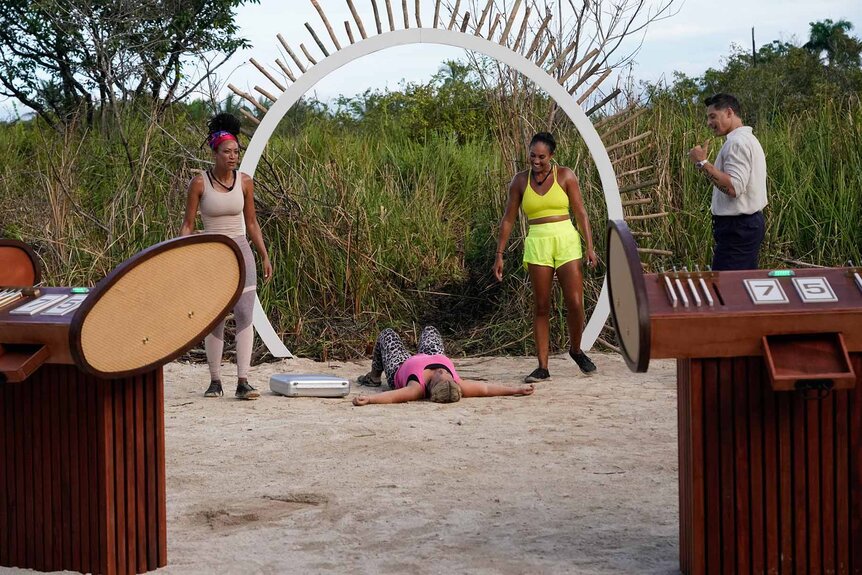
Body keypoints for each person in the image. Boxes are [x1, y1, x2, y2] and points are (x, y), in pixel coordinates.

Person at [180, 113, 273, 400]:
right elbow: (188, 225)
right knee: (216, 317)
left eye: (236, 152)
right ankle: (215, 381)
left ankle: (243, 381)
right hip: (213, 256)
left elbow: (253, 223)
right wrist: (181, 255)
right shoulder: (199, 183)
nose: (232, 157)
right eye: (227, 152)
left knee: (245, 314)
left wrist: (265, 255)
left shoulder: (245, 182)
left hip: (241, 252)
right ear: (215, 153)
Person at [493, 132, 598, 384]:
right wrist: (499, 254)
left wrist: (590, 246)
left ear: (552, 156)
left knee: (574, 301)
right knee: (541, 305)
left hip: (565, 239)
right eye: (532, 155)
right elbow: (508, 218)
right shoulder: (519, 181)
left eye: (541, 157)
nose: (536, 161)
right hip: (538, 241)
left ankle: (575, 349)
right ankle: (542, 366)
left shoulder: (565, 176)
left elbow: (580, 211)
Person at [353, 326, 535, 406]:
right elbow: (486, 389)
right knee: (431, 330)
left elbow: (393, 396)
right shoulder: (457, 384)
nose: (443, 372)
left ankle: (373, 377)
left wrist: (369, 400)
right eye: (448, 376)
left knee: (388, 335)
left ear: (433, 385)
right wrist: (516, 390)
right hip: (430, 355)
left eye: (441, 377)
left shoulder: (416, 388)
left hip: (401, 367)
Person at [688, 93, 767, 271]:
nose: (709, 123)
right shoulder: (746, 139)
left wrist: (702, 163)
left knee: (727, 290)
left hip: (738, 228)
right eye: (708, 117)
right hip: (744, 226)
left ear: (729, 113)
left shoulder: (737, 143)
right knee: (741, 286)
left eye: (713, 116)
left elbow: (734, 188)